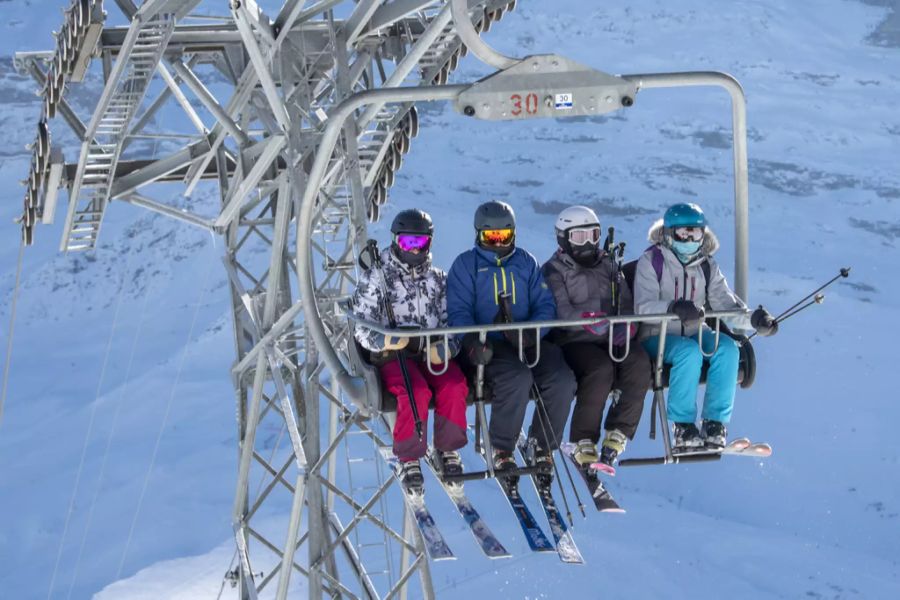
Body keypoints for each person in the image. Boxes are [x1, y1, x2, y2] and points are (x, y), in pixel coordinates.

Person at [447, 200, 576, 487]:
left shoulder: (526, 262)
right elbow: (458, 312)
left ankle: (542, 445)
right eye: (490, 237)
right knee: (517, 377)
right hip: (487, 345)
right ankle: (502, 448)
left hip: (525, 340)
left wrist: (533, 333)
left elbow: (545, 304)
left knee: (561, 378)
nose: (497, 243)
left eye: (503, 236)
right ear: (478, 234)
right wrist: (471, 341)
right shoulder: (466, 265)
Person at [633, 202, 778, 450]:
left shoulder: (706, 265)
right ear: (668, 233)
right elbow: (642, 308)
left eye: (695, 233)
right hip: (658, 334)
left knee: (728, 349)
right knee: (687, 353)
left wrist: (754, 319)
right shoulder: (652, 261)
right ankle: (683, 425)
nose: (689, 239)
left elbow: (726, 304)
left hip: (694, 331)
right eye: (682, 233)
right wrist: (672, 308)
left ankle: (714, 423)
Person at [350, 209, 468, 493]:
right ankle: (408, 455)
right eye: (406, 243)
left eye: (419, 243)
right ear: (395, 242)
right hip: (393, 355)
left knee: (454, 383)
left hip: (428, 351)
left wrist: (447, 347)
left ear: (429, 242)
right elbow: (360, 325)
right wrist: (384, 342)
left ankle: (448, 448)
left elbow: (451, 320)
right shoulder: (376, 277)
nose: (413, 250)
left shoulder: (438, 279)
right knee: (415, 392)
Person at [542, 206, 650, 471]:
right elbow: (561, 309)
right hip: (575, 340)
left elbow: (625, 302)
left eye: (593, 235)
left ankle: (618, 432)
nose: (589, 243)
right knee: (599, 369)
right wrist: (587, 319)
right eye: (580, 237)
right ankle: (583, 440)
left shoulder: (609, 265)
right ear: (563, 238)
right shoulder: (554, 270)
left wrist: (628, 326)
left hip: (611, 337)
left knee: (638, 360)